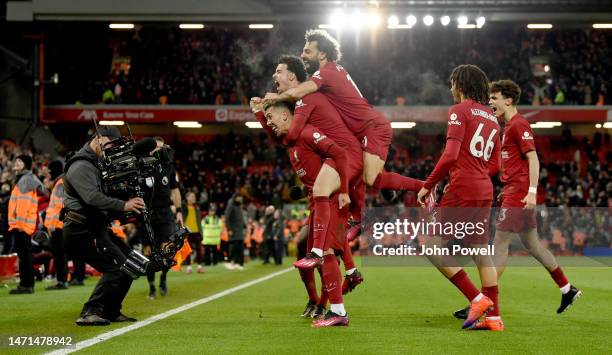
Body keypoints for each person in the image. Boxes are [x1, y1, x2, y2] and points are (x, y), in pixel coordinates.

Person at [453, 79, 580, 319]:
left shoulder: (518, 124)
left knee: (499, 244)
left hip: (520, 194)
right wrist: (510, 187)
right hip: (514, 190)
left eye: (494, 98)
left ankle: (481, 301)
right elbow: (518, 163)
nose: (490, 103)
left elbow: (533, 159)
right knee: (533, 245)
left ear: (508, 100)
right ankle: (567, 288)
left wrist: (530, 191)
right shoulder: (507, 127)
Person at [264, 30, 428, 203]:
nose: (302, 55)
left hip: (372, 128)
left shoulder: (325, 73)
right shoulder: (334, 70)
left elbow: (299, 92)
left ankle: (425, 186)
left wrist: (277, 96)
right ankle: (385, 186)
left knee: (371, 178)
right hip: (360, 130)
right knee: (368, 175)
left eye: (307, 51)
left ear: (322, 54)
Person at [417, 64, 503, 331]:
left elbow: (451, 155)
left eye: (452, 82)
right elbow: (496, 165)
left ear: (461, 84)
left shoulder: (459, 111)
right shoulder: (492, 118)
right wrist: (475, 174)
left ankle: (476, 299)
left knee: (429, 243)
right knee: (480, 252)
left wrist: (428, 184)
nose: (451, 88)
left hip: (465, 187)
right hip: (484, 189)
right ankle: (494, 318)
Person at [262, 100, 351, 327]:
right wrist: (258, 113)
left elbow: (340, 154)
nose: (269, 122)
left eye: (271, 117)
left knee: (324, 253)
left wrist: (344, 191)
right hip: (314, 203)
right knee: (305, 247)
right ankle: (317, 301)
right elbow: (273, 134)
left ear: (285, 116)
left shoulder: (308, 133)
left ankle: (332, 308)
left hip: (329, 201)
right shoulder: (289, 140)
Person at [62, 126, 145, 325]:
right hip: (80, 230)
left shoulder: (96, 163)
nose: (112, 149)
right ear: (98, 139)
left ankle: (111, 311)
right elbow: (92, 198)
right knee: (115, 267)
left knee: (131, 264)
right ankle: (90, 311)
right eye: (110, 144)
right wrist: (124, 204)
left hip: (95, 228)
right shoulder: (81, 165)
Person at [144, 137, 183, 299]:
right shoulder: (143, 166)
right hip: (148, 215)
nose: (160, 152)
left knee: (167, 250)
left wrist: (179, 211)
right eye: (156, 149)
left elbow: (175, 190)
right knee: (149, 253)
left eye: (162, 148)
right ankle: (151, 286)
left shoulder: (169, 168)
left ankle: (163, 278)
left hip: (165, 213)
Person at [8, 154, 48, 294]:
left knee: (25, 256)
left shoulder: (25, 180)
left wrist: (18, 224)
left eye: (20, 161)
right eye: (16, 160)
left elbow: (23, 205)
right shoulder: (24, 179)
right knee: (25, 255)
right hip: (22, 225)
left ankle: (27, 285)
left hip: (22, 226)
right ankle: (26, 284)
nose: (16, 162)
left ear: (25, 164)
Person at [44, 160, 69, 290]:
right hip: (58, 224)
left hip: (57, 225)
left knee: (59, 255)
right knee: (60, 254)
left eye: (49, 171)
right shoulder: (60, 183)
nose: (48, 173)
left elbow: (59, 206)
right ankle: (62, 280)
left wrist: (52, 224)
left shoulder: (59, 184)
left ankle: (62, 281)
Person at [182, 191, 203, 273]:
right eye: (191, 196)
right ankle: (189, 267)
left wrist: (201, 231)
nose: (194, 198)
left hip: (196, 231)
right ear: (187, 198)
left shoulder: (197, 207)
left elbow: (199, 220)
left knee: (199, 250)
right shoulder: (183, 206)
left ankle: (200, 267)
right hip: (187, 232)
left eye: (194, 196)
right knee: (188, 250)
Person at [224, 193, 246, 270]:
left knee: (240, 247)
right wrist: (229, 229)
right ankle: (229, 261)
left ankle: (239, 263)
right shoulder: (231, 205)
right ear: (235, 198)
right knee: (233, 246)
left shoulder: (239, 205)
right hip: (233, 230)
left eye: (241, 198)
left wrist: (244, 225)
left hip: (239, 229)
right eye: (239, 197)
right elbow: (226, 218)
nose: (240, 199)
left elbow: (241, 217)